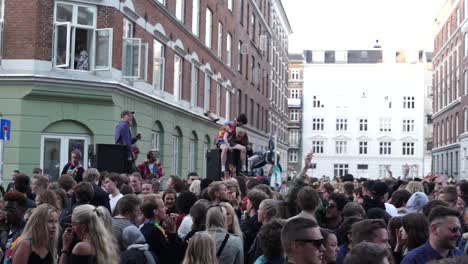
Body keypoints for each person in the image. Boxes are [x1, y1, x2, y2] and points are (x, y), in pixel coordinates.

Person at [140, 197, 184, 263]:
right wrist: (172, 232)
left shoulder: (149, 227)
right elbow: (171, 256)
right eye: (163, 206)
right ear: (155, 211)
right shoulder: (154, 232)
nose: (166, 208)